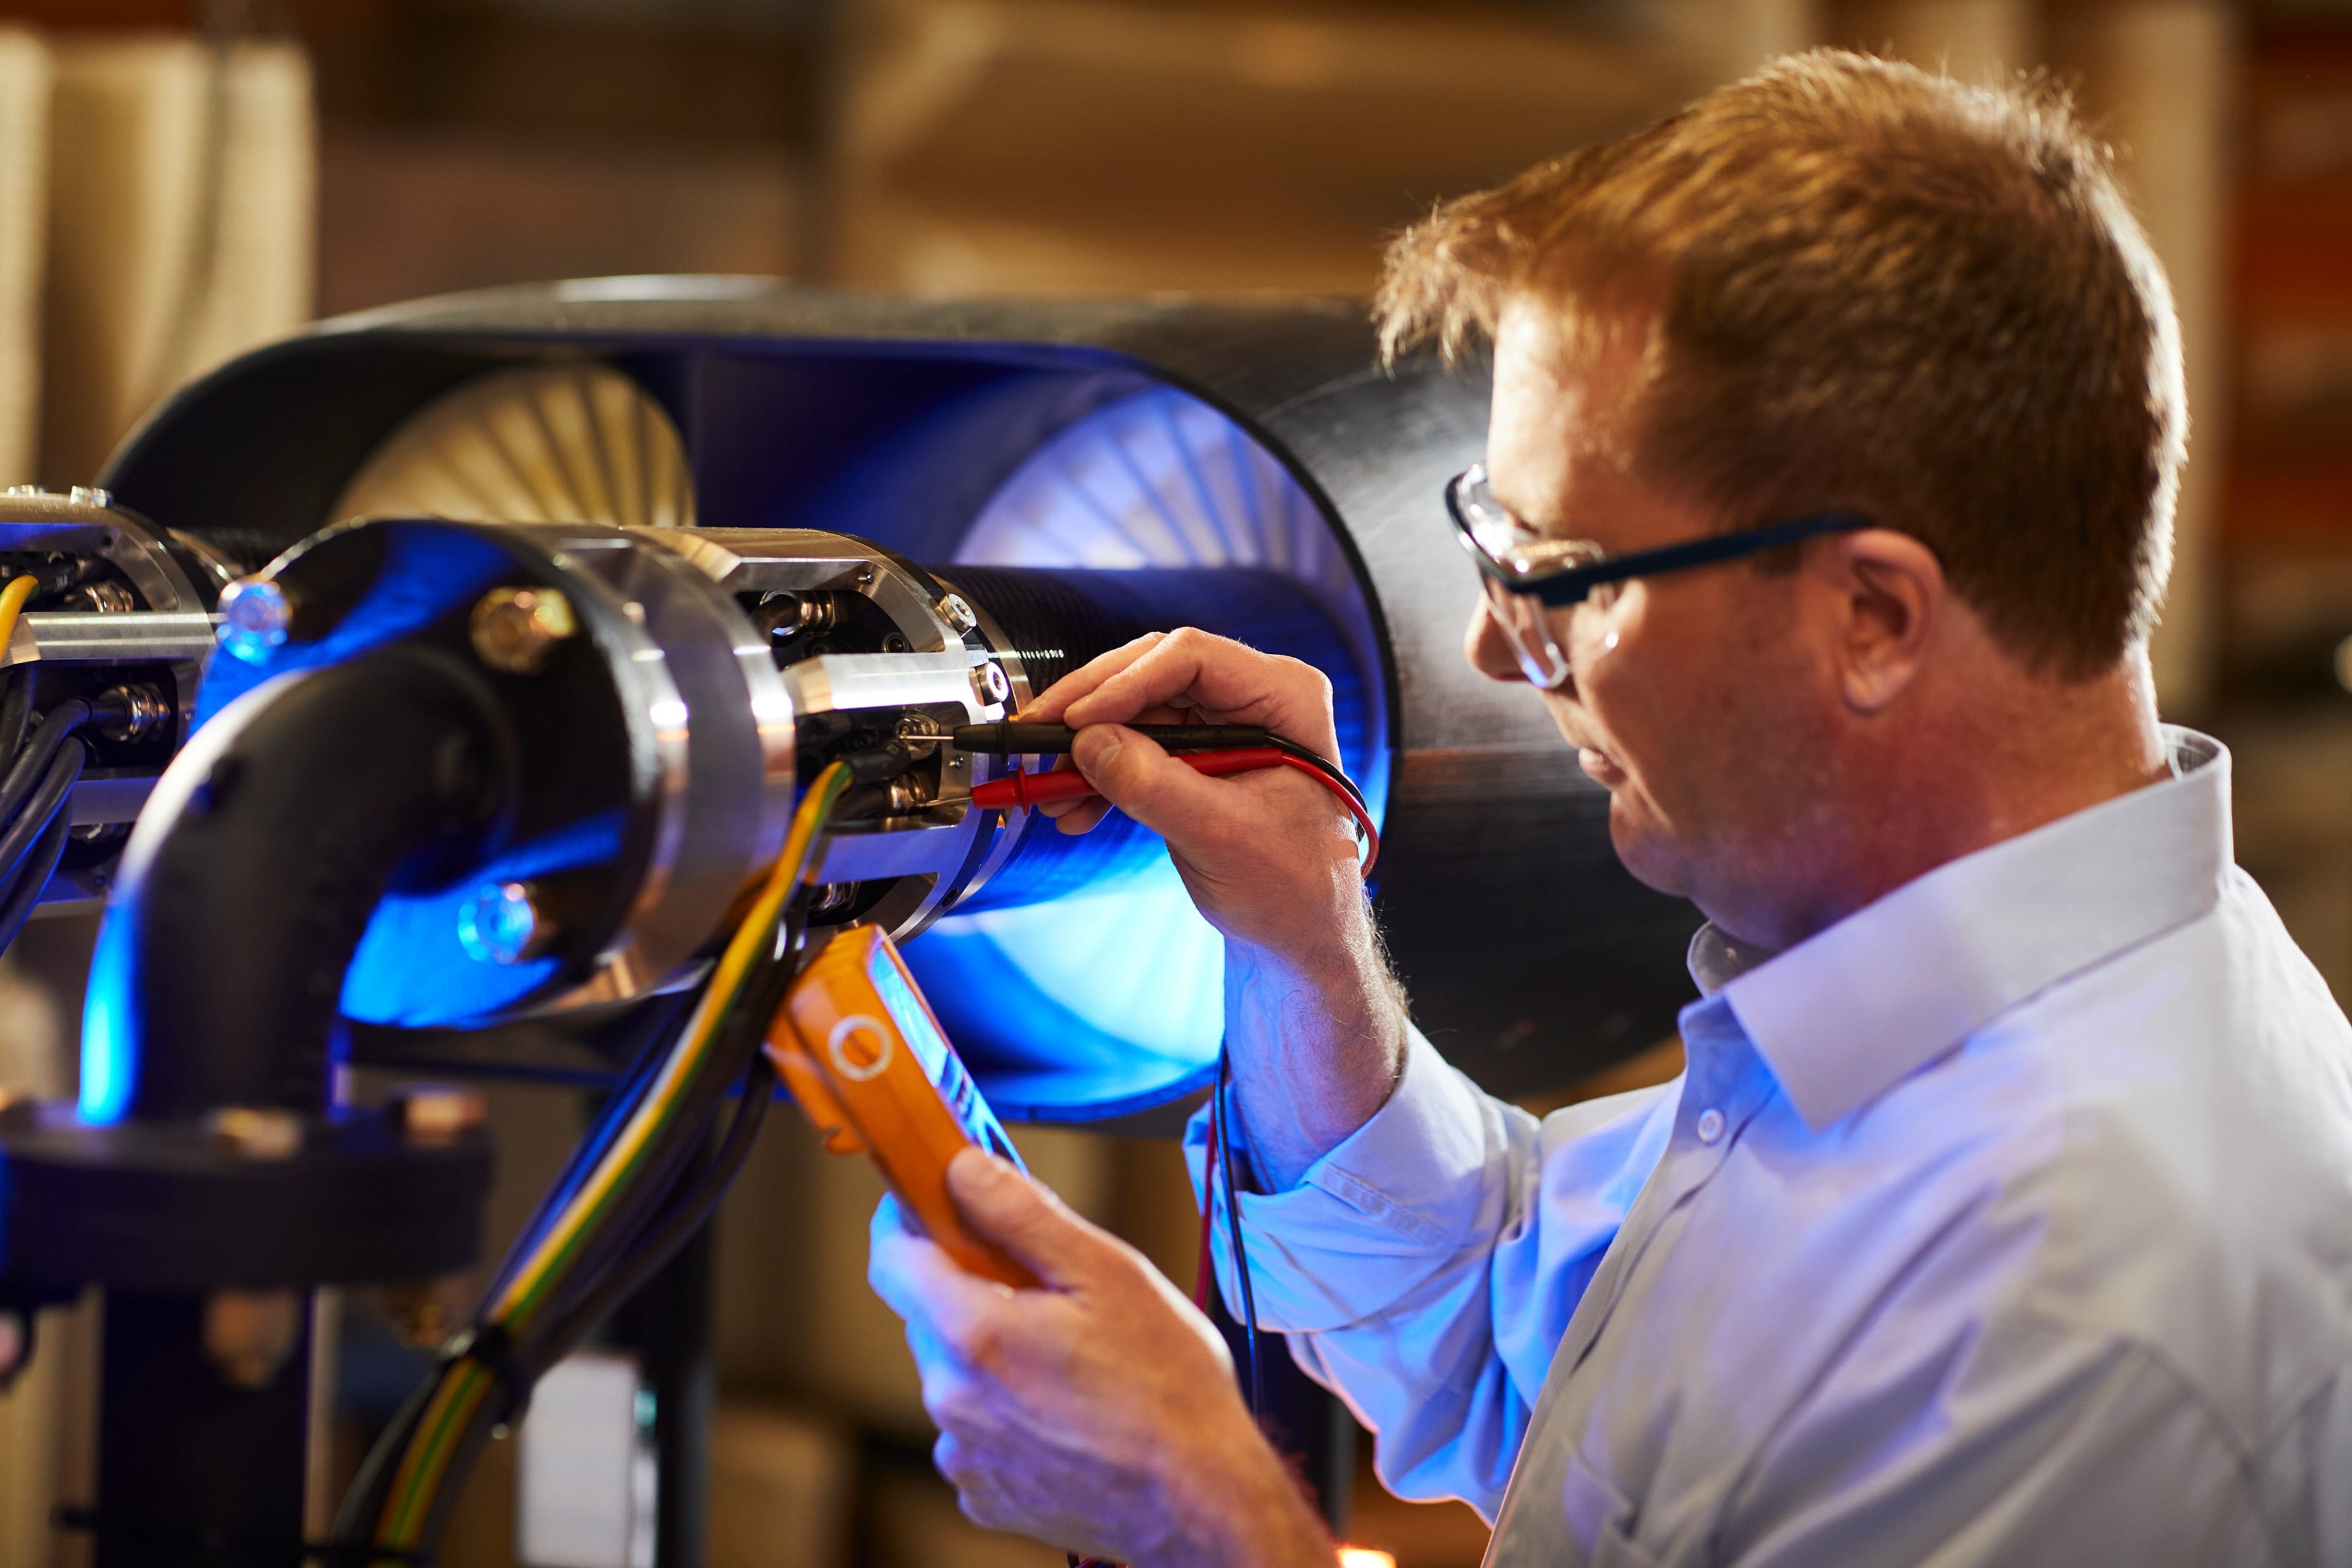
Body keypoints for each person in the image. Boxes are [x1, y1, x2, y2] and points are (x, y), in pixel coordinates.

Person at [867, 49, 2352, 1567]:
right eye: (1488, 539)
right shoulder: (1943, 1005)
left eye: (1562, 571)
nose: (1491, 648)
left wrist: (1212, 1523)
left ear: (1873, 617)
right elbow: (1524, 1343)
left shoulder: (2079, 1302)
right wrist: (1303, 943)